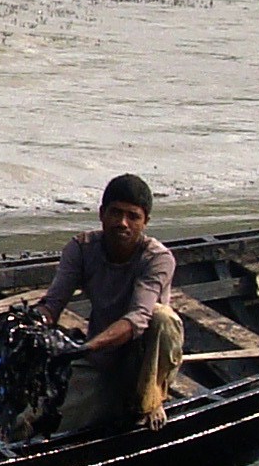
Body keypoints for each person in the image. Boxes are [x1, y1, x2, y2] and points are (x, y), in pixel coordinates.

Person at [36, 172, 184, 434]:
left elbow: (138, 318)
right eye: (115, 213)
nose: (122, 223)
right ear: (101, 213)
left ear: (145, 221)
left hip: (142, 361)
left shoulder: (157, 259)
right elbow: (53, 303)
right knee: (36, 422)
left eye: (133, 216)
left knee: (162, 317)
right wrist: (34, 323)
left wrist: (88, 346)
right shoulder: (81, 248)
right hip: (101, 360)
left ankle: (153, 400)